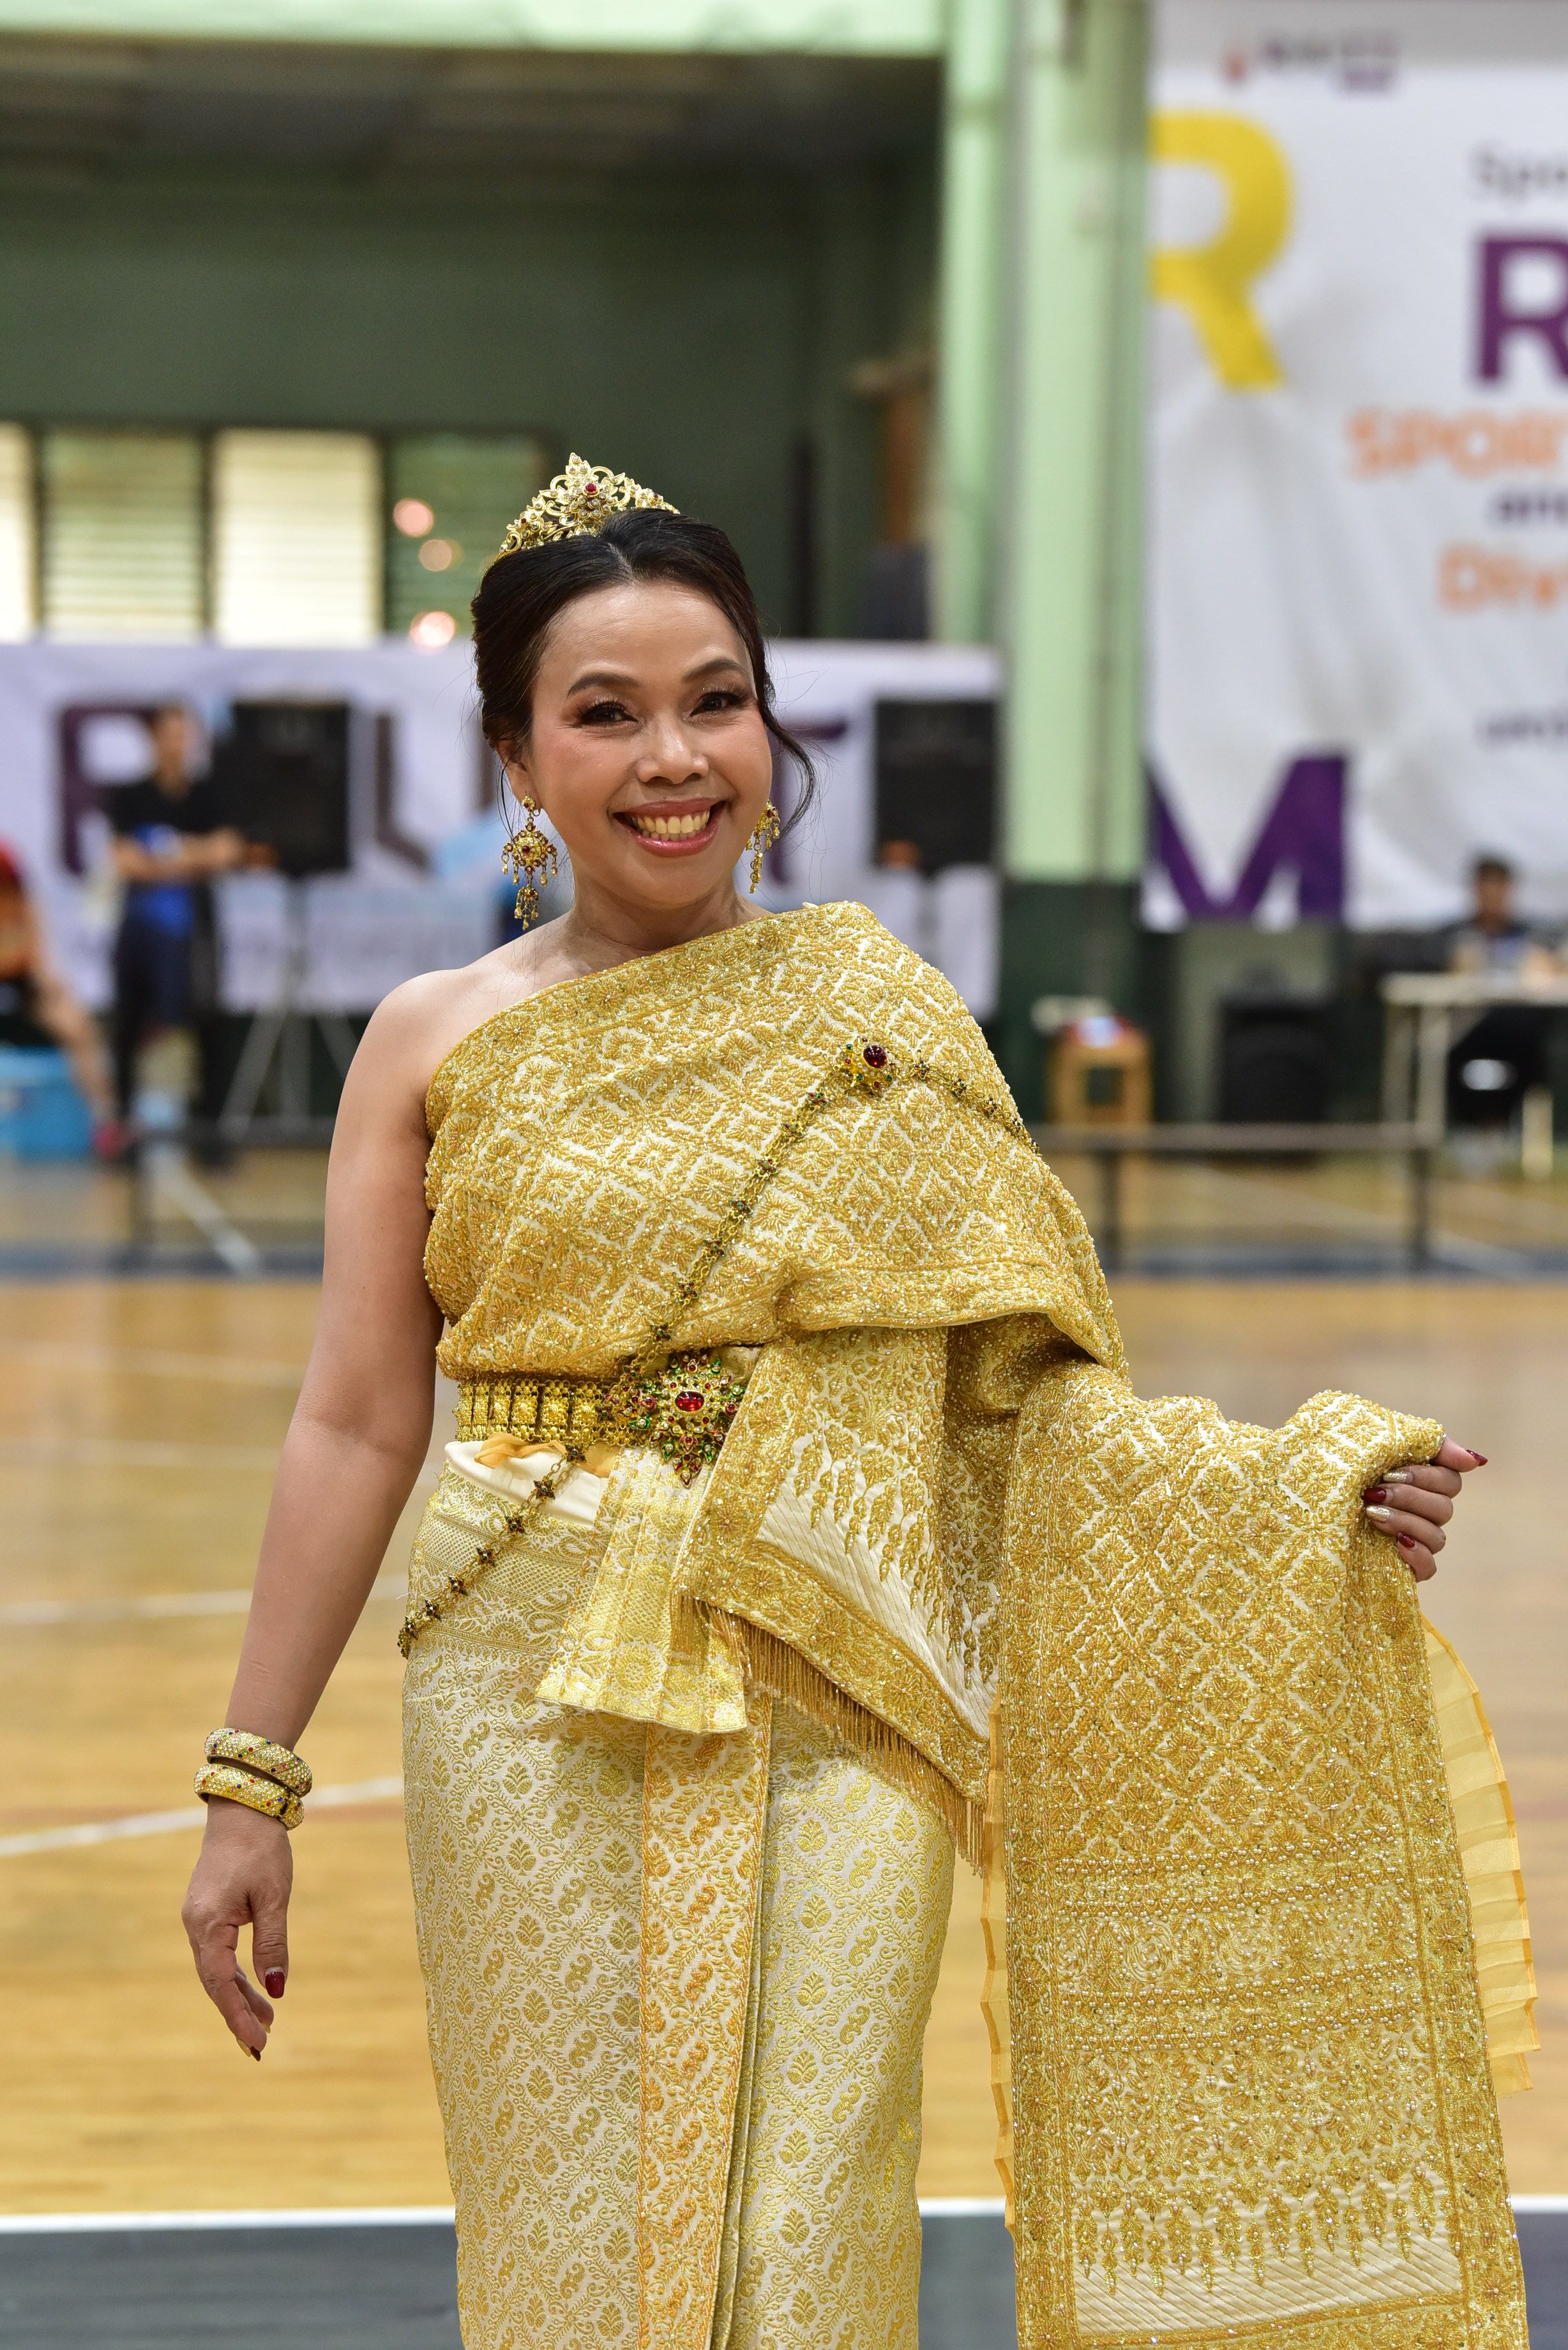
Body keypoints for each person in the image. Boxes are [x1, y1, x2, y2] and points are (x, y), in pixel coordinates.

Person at [181, 459, 1531, 2350]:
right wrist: (250, 1781)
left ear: (769, 728)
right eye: (604, 712)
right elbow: (350, 1418)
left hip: (840, 1672)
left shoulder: (875, 1013)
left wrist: (1287, 1497)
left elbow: (1023, 1407)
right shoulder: (431, 1036)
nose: (673, 757)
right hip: (523, 1681)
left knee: (810, 2214)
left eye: (715, 700)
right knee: (570, 2217)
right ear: (515, 759)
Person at [106, 702, 245, 1158]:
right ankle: (125, 1134)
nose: (178, 744)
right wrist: (193, 858)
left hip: (197, 933)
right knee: (129, 1026)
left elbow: (228, 851)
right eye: (169, 734)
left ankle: (209, 1137)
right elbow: (126, 861)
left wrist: (163, 854)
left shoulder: (209, 795)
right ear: (153, 739)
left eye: (185, 734)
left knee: (208, 1025)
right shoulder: (130, 796)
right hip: (140, 932)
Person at [0, 842, 114, 1131]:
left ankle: (106, 1119)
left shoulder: (23, 905)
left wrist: (48, 981)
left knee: (78, 1028)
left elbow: (35, 958)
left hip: (22, 991)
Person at [1445, 854, 1553, 1130]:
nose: (1493, 897)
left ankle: (1512, 1128)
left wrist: (1549, 967)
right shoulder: (1454, 935)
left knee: (1532, 1051)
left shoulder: (1532, 936)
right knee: (1442, 1051)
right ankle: (1467, 1127)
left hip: (1517, 1031)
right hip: (1466, 1030)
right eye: (1486, 888)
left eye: (1499, 888)